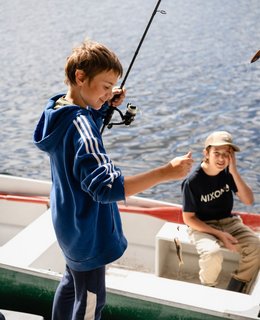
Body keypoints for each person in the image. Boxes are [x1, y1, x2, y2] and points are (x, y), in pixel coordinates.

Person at [33, 39, 193, 320]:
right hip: (88, 232)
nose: (109, 93)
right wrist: (166, 171)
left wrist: (103, 106)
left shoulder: (57, 112)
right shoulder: (82, 125)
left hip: (68, 223)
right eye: (106, 87)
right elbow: (107, 188)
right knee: (92, 301)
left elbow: (79, 129)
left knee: (71, 283)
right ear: (80, 77)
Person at [181, 131, 260, 293]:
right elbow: (189, 219)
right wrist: (219, 234)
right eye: (216, 153)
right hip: (202, 226)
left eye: (226, 154)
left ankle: (237, 287)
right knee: (212, 253)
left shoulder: (227, 174)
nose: (221, 159)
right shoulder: (192, 182)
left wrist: (234, 171)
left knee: (257, 247)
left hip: (229, 222)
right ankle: (208, 290)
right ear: (206, 153)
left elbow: (248, 200)